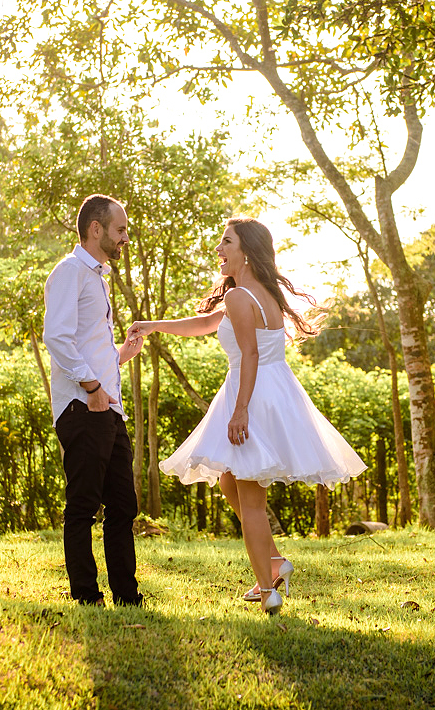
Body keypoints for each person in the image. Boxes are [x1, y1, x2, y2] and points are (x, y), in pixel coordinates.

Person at [130, 217, 366, 615]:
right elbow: (207, 323)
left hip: (251, 395)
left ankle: (267, 589)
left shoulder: (241, 297)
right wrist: (153, 326)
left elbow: (251, 355)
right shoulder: (257, 294)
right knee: (228, 481)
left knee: (252, 500)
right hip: (273, 391)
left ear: (246, 250)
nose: (219, 250)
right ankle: (274, 562)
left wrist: (240, 411)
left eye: (226, 242)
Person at [43, 194, 145, 607]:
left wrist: (119, 356)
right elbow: (57, 338)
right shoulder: (70, 272)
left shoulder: (98, 278)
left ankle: (127, 596)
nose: (125, 237)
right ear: (96, 229)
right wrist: (90, 386)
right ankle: (86, 595)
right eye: (120, 229)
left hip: (107, 407)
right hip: (82, 407)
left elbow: (84, 344)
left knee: (123, 505)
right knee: (83, 505)